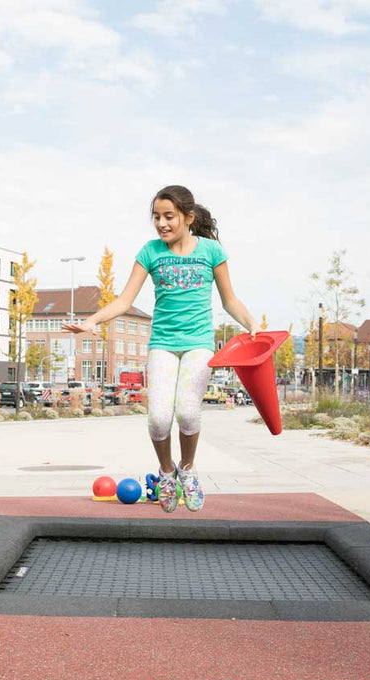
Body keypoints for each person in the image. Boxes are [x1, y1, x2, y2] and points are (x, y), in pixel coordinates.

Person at [64, 185, 259, 513]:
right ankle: (167, 471)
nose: (161, 223)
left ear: (188, 217)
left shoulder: (211, 252)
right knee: (157, 419)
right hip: (163, 345)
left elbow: (230, 301)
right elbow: (125, 300)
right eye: (156, 217)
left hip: (198, 344)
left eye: (169, 216)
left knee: (187, 412)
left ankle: (188, 469)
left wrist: (251, 323)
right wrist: (93, 320)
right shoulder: (150, 252)